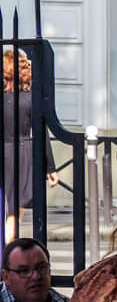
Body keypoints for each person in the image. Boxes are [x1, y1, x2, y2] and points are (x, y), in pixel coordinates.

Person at [2, 50, 58, 242]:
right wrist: (50, 167)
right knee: (14, 213)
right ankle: (7, 255)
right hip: (21, 152)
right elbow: (42, 133)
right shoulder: (29, 98)